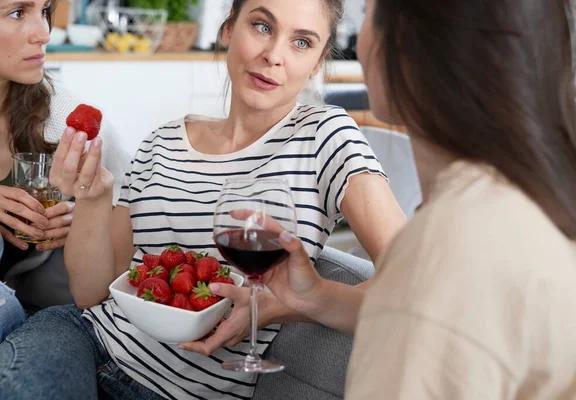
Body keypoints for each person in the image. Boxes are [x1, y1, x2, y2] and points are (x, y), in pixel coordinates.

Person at [0, 0, 406, 399]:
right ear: (229, 29)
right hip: (82, 338)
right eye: (262, 26)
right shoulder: (162, 141)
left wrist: (292, 304)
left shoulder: (326, 136)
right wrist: (94, 195)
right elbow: (92, 294)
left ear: (318, 61)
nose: (273, 56)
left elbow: (415, 284)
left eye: (301, 42)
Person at [242, 0, 576, 398]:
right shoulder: (532, 206)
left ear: (409, 45)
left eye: (368, 12)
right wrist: (319, 297)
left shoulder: (448, 253)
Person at [0, 0, 130, 341]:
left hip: (41, 316)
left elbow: (126, 202)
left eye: (44, 11)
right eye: (17, 13)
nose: (44, 33)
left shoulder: (67, 114)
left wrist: (86, 218)